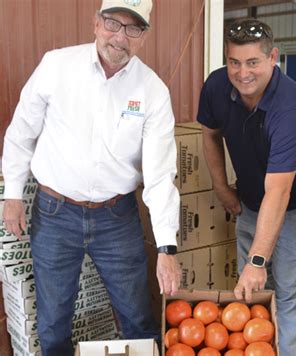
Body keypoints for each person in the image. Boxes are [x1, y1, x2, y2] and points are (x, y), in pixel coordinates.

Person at [2, 0, 181, 354]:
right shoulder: (56, 66)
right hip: (54, 213)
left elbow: (161, 174)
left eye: (133, 29)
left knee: (137, 318)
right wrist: (11, 196)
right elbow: (21, 133)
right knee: (53, 322)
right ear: (96, 23)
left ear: (144, 36)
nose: (120, 38)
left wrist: (167, 247)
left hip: (117, 218)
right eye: (114, 24)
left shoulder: (153, 91)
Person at [197, 18, 296, 356]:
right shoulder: (216, 86)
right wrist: (222, 186)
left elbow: (280, 191)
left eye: (253, 62)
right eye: (234, 62)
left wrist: (257, 259)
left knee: (289, 293)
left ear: (273, 58)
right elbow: (209, 133)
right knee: (251, 291)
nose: (242, 73)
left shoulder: (290, 106)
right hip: (252, 202)